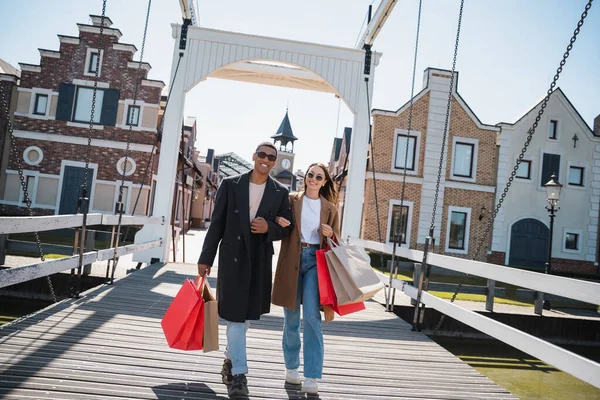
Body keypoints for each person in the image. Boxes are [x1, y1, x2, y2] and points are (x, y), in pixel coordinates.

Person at [197, 141, 292, 398]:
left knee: (244, 318)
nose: (266, 159)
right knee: (236, 317)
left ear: (274, 162)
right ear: (254, 156)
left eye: (271, 157)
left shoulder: (280, 192)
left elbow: (286, 228)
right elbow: (216, 224)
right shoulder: (230, 184)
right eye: (262, 154)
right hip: (232, 259)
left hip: (259, 261)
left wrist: (269, 229)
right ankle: (239, 375)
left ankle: (229, 360)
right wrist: (205, 259)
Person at [271, 162, 340, 395]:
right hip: (293, 256)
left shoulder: (330, 208)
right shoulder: (291, 200)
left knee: (311, 316)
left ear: (324, 182)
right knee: (291, 316)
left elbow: (336, 241)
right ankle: (292, 368)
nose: (313, 179)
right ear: (306, 177)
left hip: (315, 261)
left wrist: (331, 233)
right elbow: (276, 219)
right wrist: (279, 221)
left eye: (319, 177)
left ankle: (311, 375)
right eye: (310, 175)